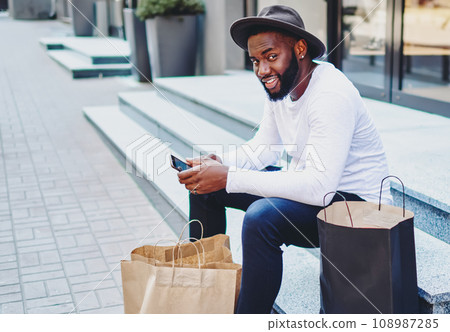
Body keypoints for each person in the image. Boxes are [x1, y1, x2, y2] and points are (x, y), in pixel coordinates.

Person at [178, 5, 391, 314]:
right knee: (204, 186)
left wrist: (229, 175)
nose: (262, 70)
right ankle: (205, 299)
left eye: (271, 56)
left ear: (300, 49)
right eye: (255, 61)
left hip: (359, 207)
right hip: (318, 190)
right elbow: (264, 149)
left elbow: (321, 187)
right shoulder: (281, 88)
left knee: (262, 218)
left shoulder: (331, 94)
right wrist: (215, 164)